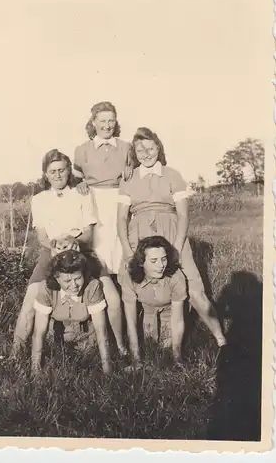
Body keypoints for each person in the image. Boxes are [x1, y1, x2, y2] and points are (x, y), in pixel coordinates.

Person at [117, 127, 227, 349]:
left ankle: (220, 337)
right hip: (138, 234)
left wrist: (176, 246)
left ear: (158, 147)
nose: (146, 154)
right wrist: (129, 251)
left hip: (171, 231)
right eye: (140, 150)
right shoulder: (128, 179)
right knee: (133, 280)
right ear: (134, 153)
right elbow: (120, 219)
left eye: (150, 148)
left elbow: (184, 214)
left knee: (193, 285)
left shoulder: (172, 175)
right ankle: (139, 342)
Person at [13, 148, 126, 355]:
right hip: (51, 253)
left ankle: (120, 348)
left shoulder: (82, 194)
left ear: (69, 171)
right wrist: (55, 246)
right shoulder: (39, 199)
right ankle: (14, 355)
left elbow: (88, 234)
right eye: (52, 171)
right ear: (45, 174)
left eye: (62, 170)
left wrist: (74, 241)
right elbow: (42, 237)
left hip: (81, 251)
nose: (57, 175)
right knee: (30, 299)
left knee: (113, 296)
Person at [73, 101, 133, 276]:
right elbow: (75, 179)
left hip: (119, 199)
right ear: (93, 122)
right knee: (98, 245)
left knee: (120, 243)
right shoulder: (82, 149)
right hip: (93, 201)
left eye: (111, 121)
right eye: (102, 121)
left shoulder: (126, 147)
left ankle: (123, 288)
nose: (107, 126)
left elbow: (134, 175)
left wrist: (131, 173)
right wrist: (80, 183)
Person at [31, 250, 111, 375]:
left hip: (87, 338)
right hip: (57, 339)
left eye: (78, 278)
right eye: (67, 281)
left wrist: (107, 370)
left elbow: (101, 330)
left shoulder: (93, 286)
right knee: (57, 369)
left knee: (88, 369)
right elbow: (39, 332)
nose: (74, 285)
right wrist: (35, 371)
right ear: (57, 278)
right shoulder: (46, 289)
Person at [122, 236, 187, 366]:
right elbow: (131, 321)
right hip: (148, 312)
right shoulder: (129, 276)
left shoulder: (176, 276)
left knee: (166, 348)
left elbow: (178, 320)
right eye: (153, 261)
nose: (161, 266)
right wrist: (136, 360)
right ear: (141, 263)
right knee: (149, 345)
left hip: (170, 312)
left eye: (163, 259)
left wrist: (177, 357)